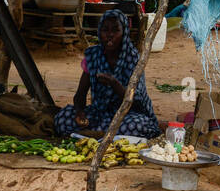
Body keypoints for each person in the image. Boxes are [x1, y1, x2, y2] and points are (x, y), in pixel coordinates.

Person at [53, 10, 161, 138]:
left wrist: (114, 84)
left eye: (116, 30)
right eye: (105, 30)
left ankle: (95, 135)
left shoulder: (133, 59)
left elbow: (137, 102)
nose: (110, 35)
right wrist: (80, 113)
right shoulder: (93, 56)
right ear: (99, 32)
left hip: (128, 115)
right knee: (62, 118)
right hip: (100, 114)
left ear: (124, 33)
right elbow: (80, 95)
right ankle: (104, 135)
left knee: (135, 126)